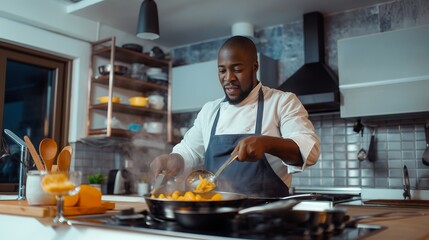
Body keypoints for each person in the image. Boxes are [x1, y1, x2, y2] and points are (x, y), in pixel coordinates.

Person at [150, 36, 320, 197]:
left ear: (255, 67)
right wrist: (172, 160)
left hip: (266, 217)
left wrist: (267, 143)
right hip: (217, 214)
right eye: (222, 71)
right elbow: (189, 150)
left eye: (237, 69)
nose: (228, 78)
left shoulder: (282, 102)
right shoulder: (211, 110)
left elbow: (309, 151)